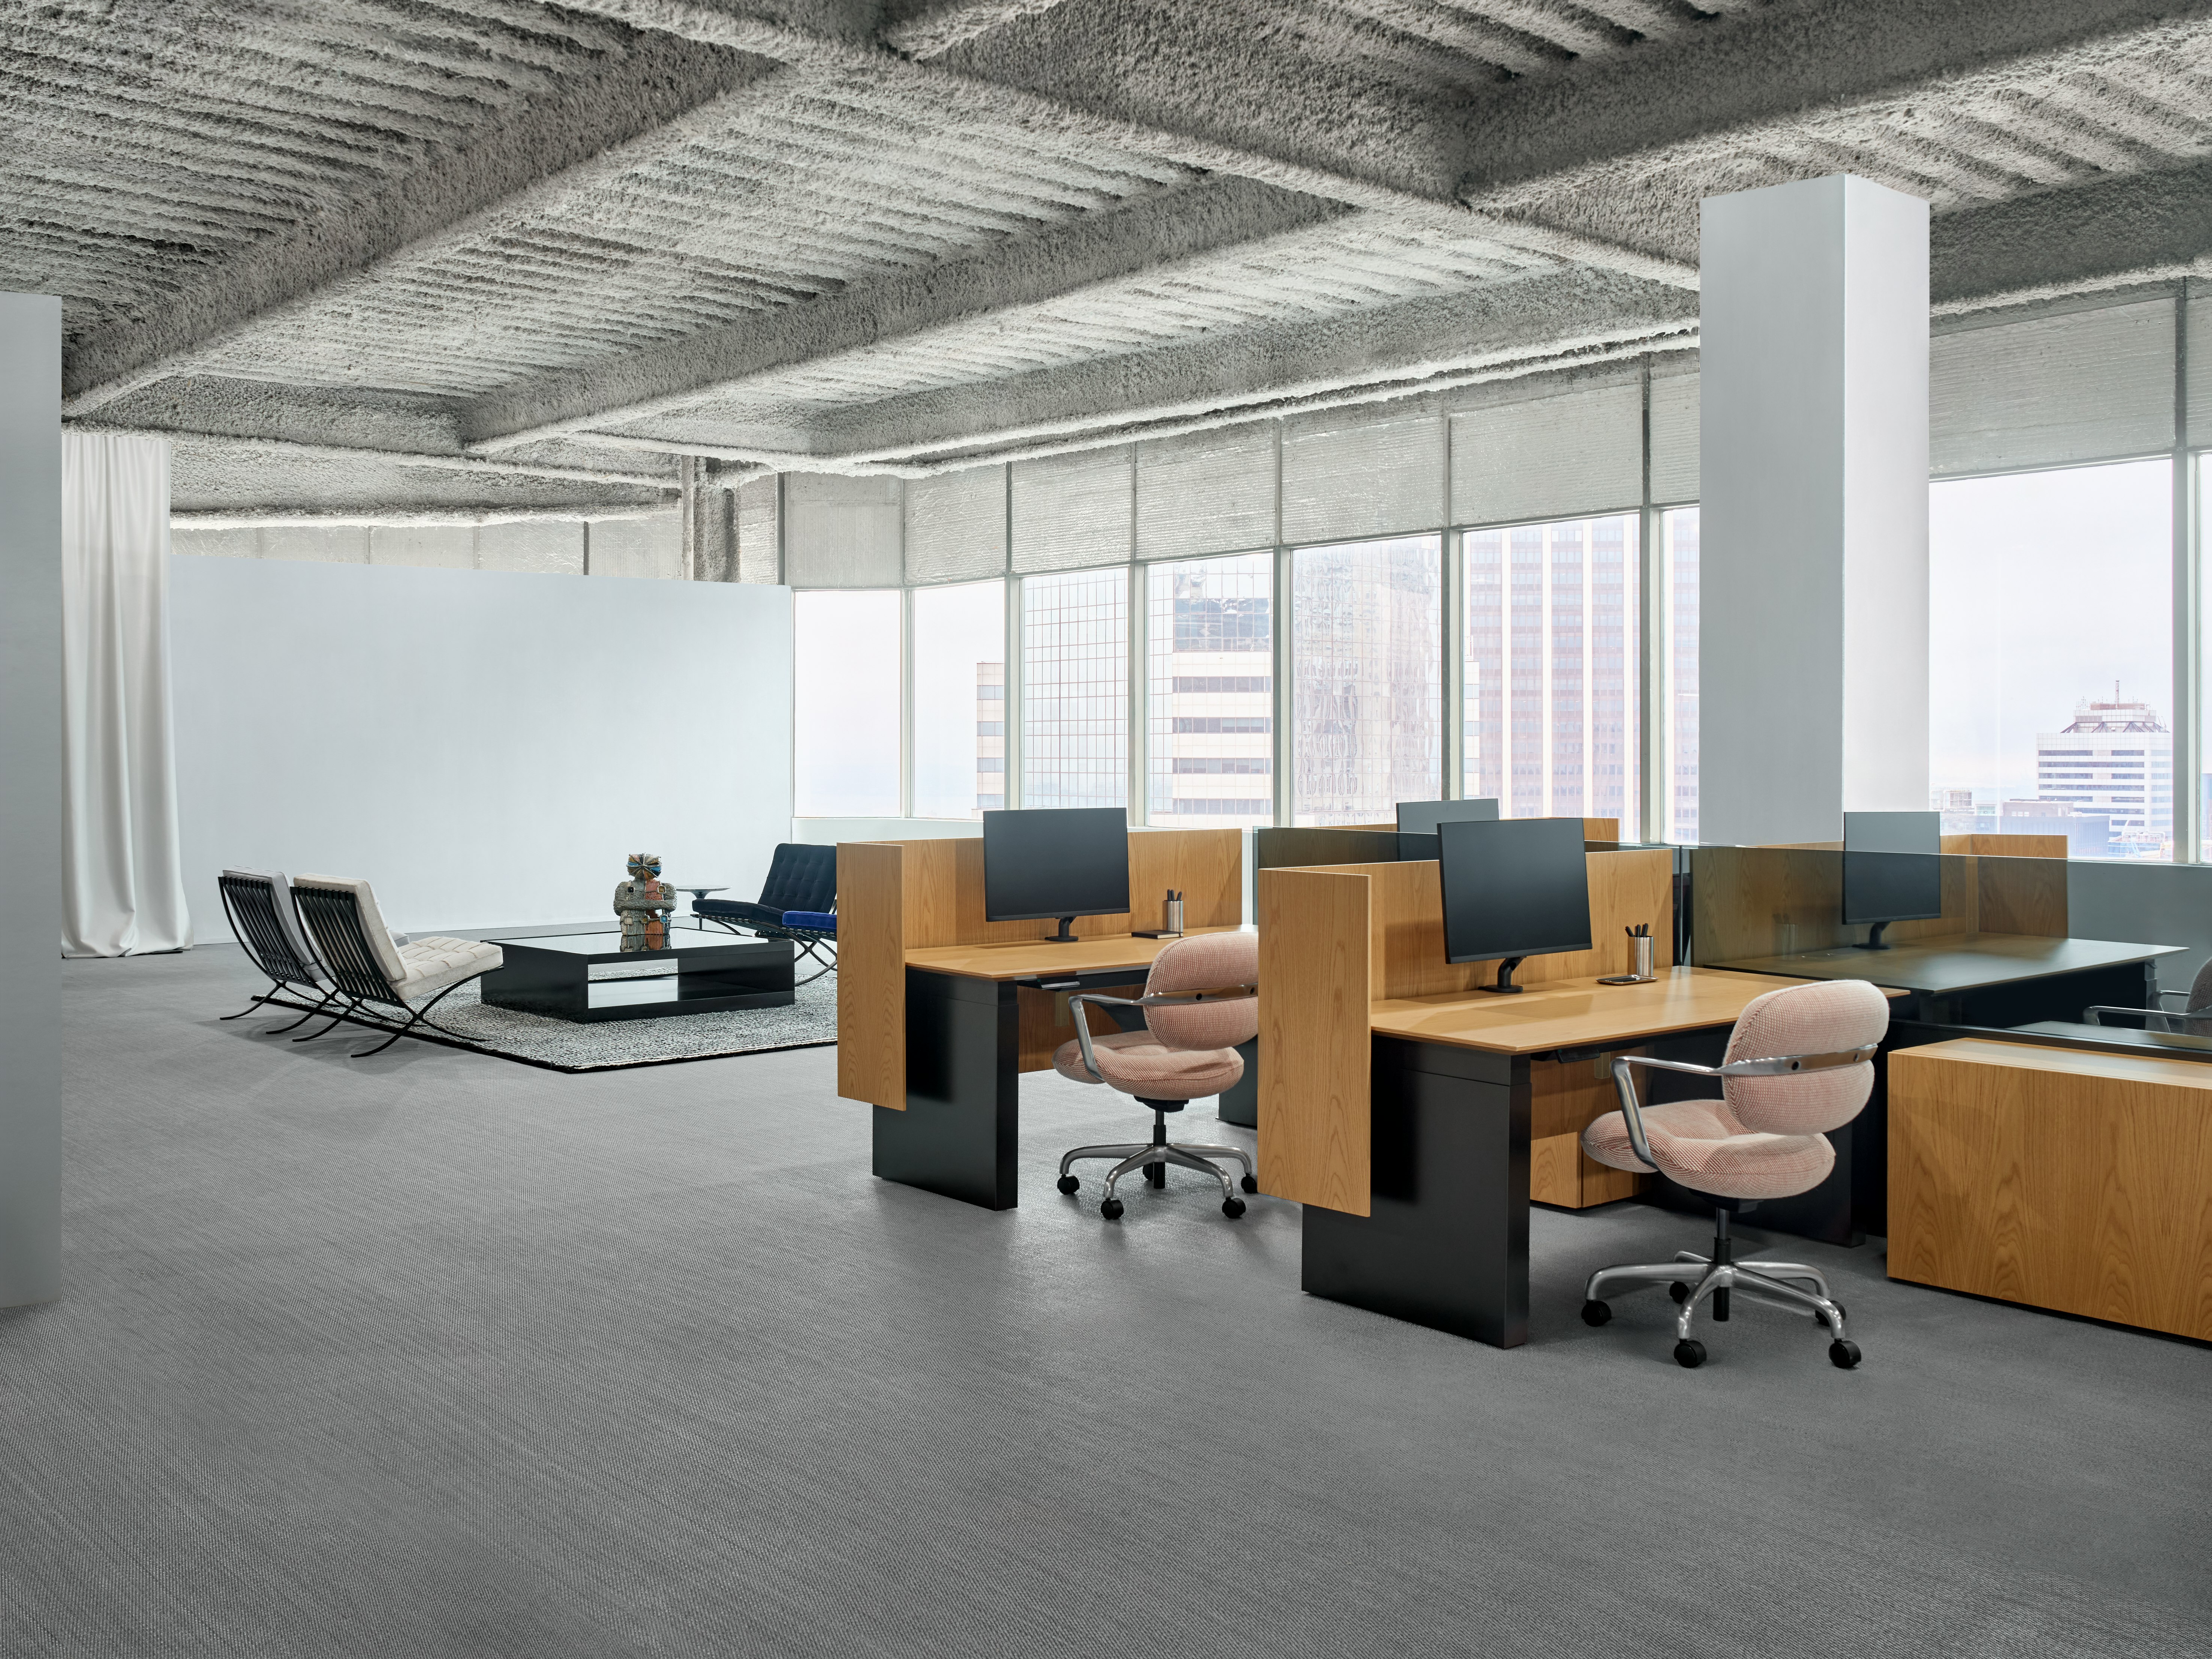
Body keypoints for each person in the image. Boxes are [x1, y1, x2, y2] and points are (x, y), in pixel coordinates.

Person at [613, 853, 675, 953]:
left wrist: (634, 904)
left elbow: (672, 905)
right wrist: (655, 903)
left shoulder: (667, 887)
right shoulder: (625, 886)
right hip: (632, 927)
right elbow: (618, 906)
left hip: (659, 928)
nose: (643, 868)